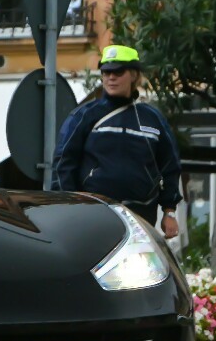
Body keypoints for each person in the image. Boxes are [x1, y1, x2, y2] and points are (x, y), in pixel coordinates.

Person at [51, 44, 182, 238]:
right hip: (94, 214)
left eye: (118, 71)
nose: (111, 77)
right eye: (106, 72)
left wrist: (169, 211)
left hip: (141, 216)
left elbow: (171, 166)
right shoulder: (84, 116)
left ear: (134, 75)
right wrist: (69, 208)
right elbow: (63, 163)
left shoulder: (153, 119)